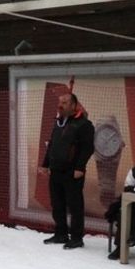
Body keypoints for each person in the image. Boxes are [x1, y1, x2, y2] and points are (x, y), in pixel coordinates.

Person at [38, 92, 95, 250]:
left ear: (73, 105)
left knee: (74, 205)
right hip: (56, 171)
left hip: (72, 172)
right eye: (59, 102)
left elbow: (88, 148)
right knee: (57, 204)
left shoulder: (84, 125)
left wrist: (79, 167)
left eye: (64, 102)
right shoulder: (58, 123)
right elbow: (52, 145)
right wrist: (45, 164)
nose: (60, 105)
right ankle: (61, 233)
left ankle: (76, 237)